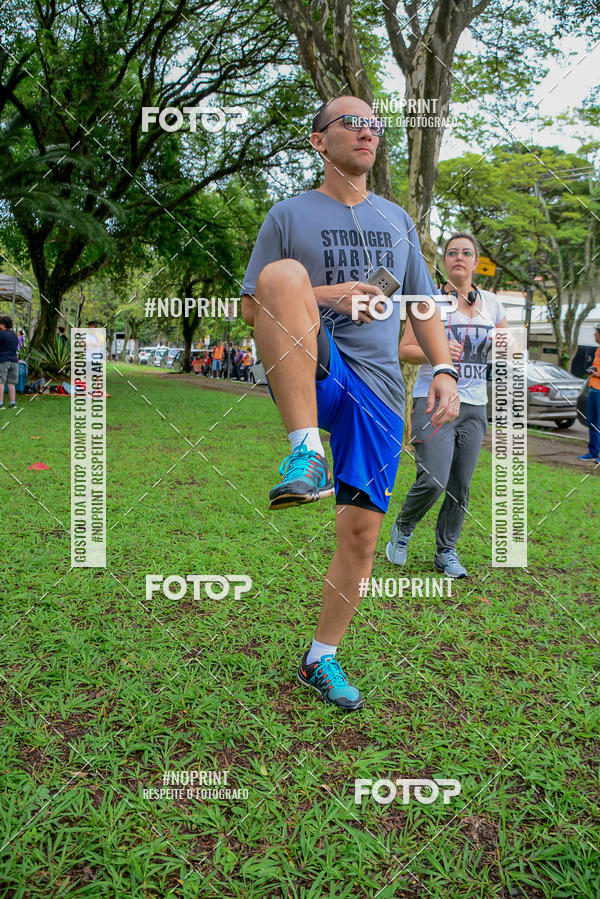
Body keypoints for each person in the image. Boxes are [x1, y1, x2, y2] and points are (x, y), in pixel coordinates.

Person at [240, 95, 460, 711]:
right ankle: (304, 451)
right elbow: (254, 307)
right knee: (283, 277)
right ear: (319, 141)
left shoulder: (397, 220)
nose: (366, 132)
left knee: (361, 537)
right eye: (350, 122)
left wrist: (442, 368)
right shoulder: (288, 214)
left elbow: (421, 304)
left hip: (381, 394)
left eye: (374, 124)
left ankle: (320, 658)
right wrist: (331, 295)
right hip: (316, 370)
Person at [386, 232, 507, 578]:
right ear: (445, 260)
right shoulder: (428, 303)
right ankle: (404, 528)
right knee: (434, 478)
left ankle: (446, 551)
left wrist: (501, 346)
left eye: (466, 253)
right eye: (452, 252)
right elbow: (405, 349)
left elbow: (506, 345)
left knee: (459, 485)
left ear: (475, 262)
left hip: (474, 404)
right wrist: (436, 353)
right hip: (433, 398)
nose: (459, 257)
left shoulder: (494, 304)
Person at [578, 323, 600, 462]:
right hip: (593, 389)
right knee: (591, 422)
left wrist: (596, 374)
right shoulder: (598, 350)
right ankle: (593, 453)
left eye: (596, 332)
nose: (594, 335)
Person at [0, 315, 19, 409]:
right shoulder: (14, 335)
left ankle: (0, 403)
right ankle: (12, 403)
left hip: (3, 360)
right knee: (11, 383)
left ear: (3, 324)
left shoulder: (2, 334)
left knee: (1, 382)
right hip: (14, 361)